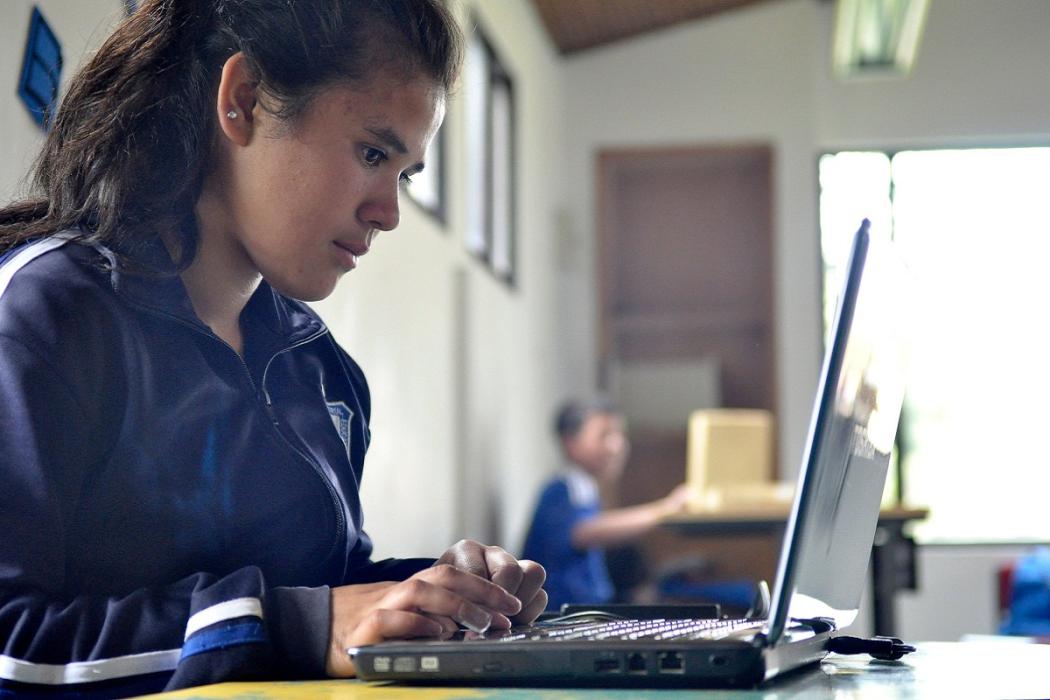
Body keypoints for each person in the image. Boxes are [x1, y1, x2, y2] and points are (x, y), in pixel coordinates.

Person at [0, 0, 546, 695]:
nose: (389, 212)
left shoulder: (323, 371)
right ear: (244, 101)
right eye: (372, 153)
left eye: (403, 173)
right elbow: (10, 646)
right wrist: (298, 625)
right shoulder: (46, 313)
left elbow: (322, 597)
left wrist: (441, 596)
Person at [522, 397, 689, 611]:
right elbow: (583, 531)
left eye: (619, 435)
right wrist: (665, 509)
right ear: (571, 443)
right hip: (558, 615)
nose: (616, 445)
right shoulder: (562, 488)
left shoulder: (585, 490)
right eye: (604, 435)